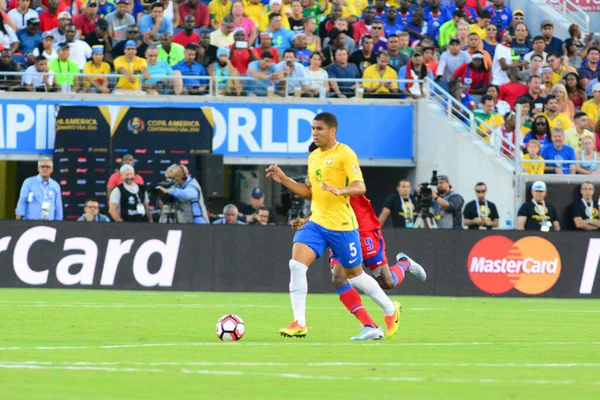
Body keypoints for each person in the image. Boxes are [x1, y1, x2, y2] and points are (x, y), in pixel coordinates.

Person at [265, 112, 400, 341]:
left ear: (332, 131)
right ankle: (299, 322)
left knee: (356, 277)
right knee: (296, 265)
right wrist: (285, 180)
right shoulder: (314, 156)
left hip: (343, 226)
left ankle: (390, 309)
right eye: (313, 129)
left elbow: (360, 186)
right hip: (317, 222)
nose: (315, 133)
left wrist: (341, 190)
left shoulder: (345, 154)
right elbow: (310, 192)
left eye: (319, 129)